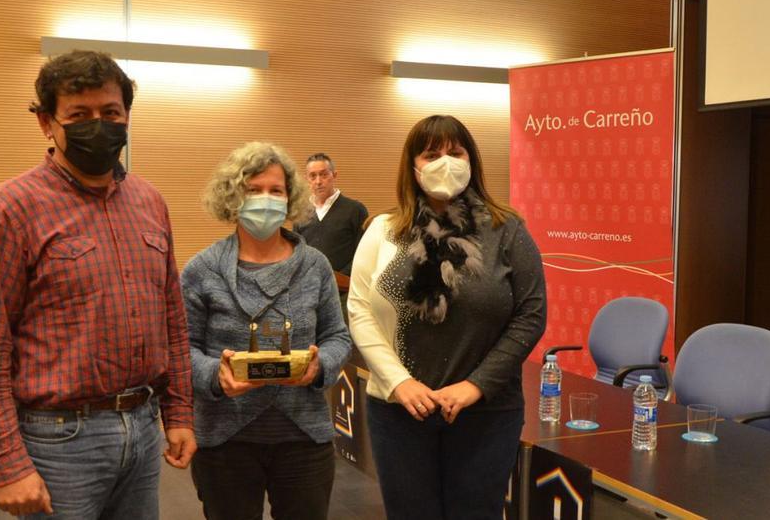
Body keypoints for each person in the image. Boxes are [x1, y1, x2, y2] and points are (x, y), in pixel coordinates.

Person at [0, 49, 195, 519]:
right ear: (47, 123)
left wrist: (180, 413)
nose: (98, 126)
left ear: (127, 117)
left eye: (110, 113)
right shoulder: (9, 209)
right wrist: (5, 462)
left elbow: (172, 318)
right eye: (79, 115)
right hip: (58, 440)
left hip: (142, 429)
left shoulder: (149, 202)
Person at [347, 115, 547, 519]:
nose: (445, 162)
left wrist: (476, 385)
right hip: (399, 409)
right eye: (431, 154)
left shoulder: (506, 229)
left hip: (486, 412)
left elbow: (531, 313)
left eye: (455, 153)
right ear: (413, 165)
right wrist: (399, 382)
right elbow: (359, 309)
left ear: (471, 160)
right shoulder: (384, 229)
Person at [183, 142, 353, 519]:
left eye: (275, 190)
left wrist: (319, 366)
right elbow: (182, 348)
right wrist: (216, 375)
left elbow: (338, 337)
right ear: (232, 197)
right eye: (253, 189)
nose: (265, 199)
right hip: (225, 440)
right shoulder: (202, 269)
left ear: (290, 198)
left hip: (304, 440)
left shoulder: (316, 266)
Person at [293, 153, 369, 297]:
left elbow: (363, 253)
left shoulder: (355, 209)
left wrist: (338, 278)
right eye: (313, 176)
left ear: (334, 175)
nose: (318, 181)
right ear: (307, 179)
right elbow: (298, 253)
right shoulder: (301, 213)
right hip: (310, 292)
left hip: (345, 292)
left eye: (323, 175)